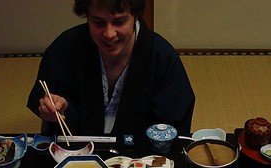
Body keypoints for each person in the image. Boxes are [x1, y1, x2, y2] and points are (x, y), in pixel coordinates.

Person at [27, 0, 195, 141]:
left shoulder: (160, 55)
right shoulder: (67, 46)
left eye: (119, 21)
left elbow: (174, 119)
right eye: (98, 22)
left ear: (135, 15)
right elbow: (44, 95)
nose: (109, 34)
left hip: (139, 155)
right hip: (76, 149)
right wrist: (52, 106)